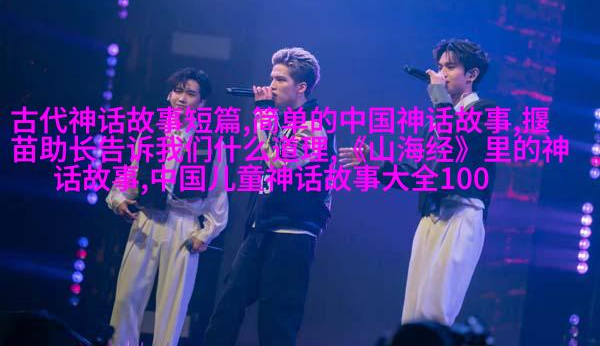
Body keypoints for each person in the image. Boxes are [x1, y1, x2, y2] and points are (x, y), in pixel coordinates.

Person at [340, 39, 497, 325]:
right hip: (431, 215)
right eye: (440, 66)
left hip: (462, 214)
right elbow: (423, 177)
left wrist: (439, 95)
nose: (441, 73)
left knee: (435, 311)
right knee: (413, 314)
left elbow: (455, 146)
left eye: (450, 67)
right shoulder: (436, 122)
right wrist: (379, 164)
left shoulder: (485, 112)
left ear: (472, 74)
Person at [203, 47, 336, 346]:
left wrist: (264, 113)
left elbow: (279, 161)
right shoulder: (285, 120)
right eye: (271, 78)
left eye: (280, 79)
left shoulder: (316, 123)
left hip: (293, 233)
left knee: (277, 321)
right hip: (262, 229)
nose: (271, 85)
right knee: (227, 307)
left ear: (301, 87)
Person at [106, 68, 229, 346]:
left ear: (202, 102)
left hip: (183, 225)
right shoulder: (150, 133)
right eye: (177, 91)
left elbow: (218, 192)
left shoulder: (211, 141)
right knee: (126, 298)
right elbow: (132, 174)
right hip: (147, 219)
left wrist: (206, 233)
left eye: (190, 94)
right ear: (169, 95)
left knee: (172, 307)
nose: (182, 98)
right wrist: (118, 199)